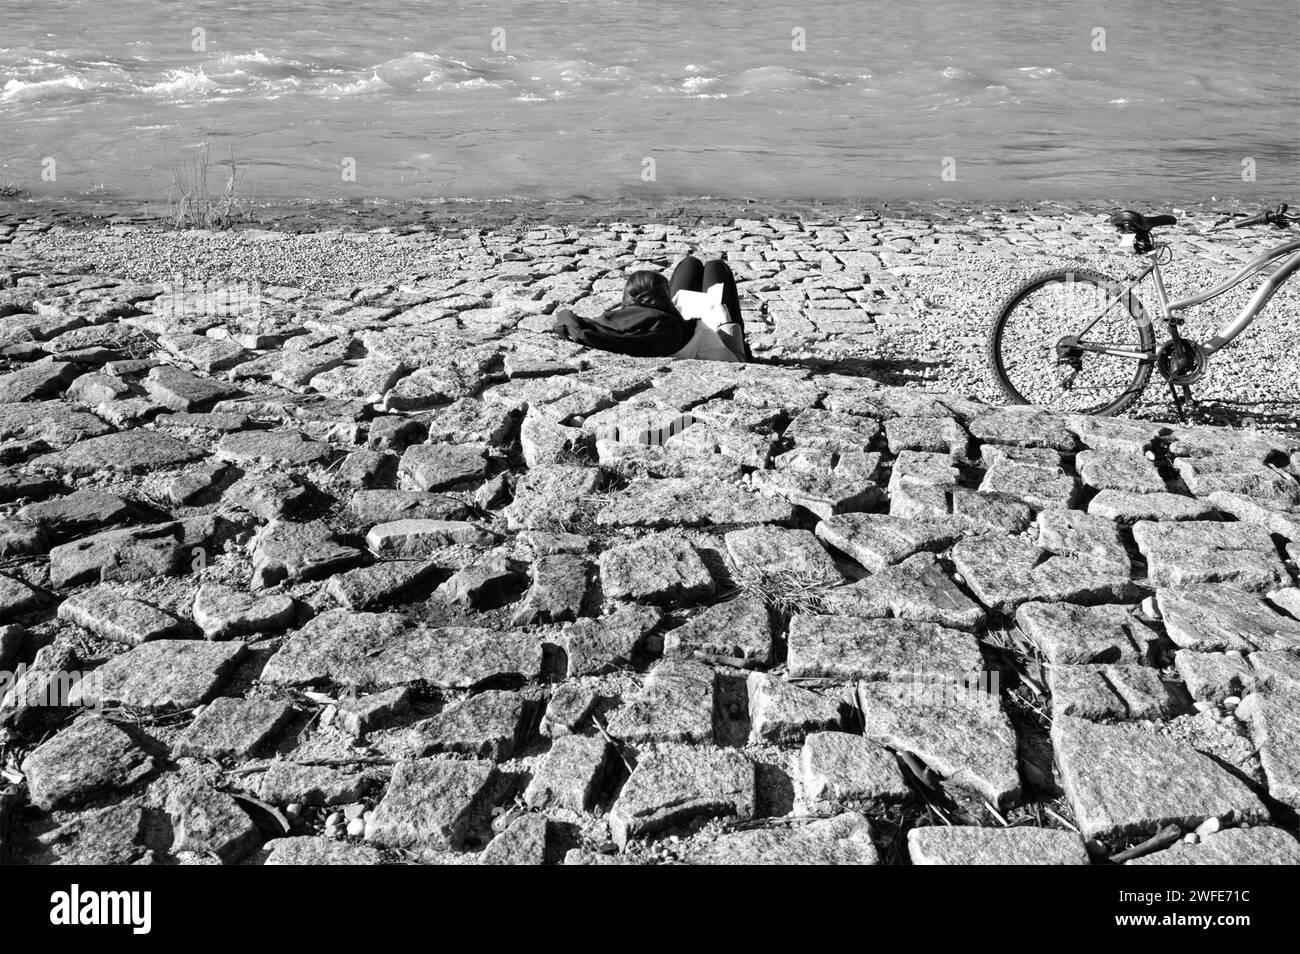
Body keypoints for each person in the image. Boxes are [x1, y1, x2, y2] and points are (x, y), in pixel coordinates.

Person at [552, 254, 749, 362]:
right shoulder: (693, 333)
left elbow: (568, 320)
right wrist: (726, 323)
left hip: (667, 326)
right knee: (714, 266)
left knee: (691, 264)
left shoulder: (606, 330)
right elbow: (732, 362)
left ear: (627, 300)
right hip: (711, 339)